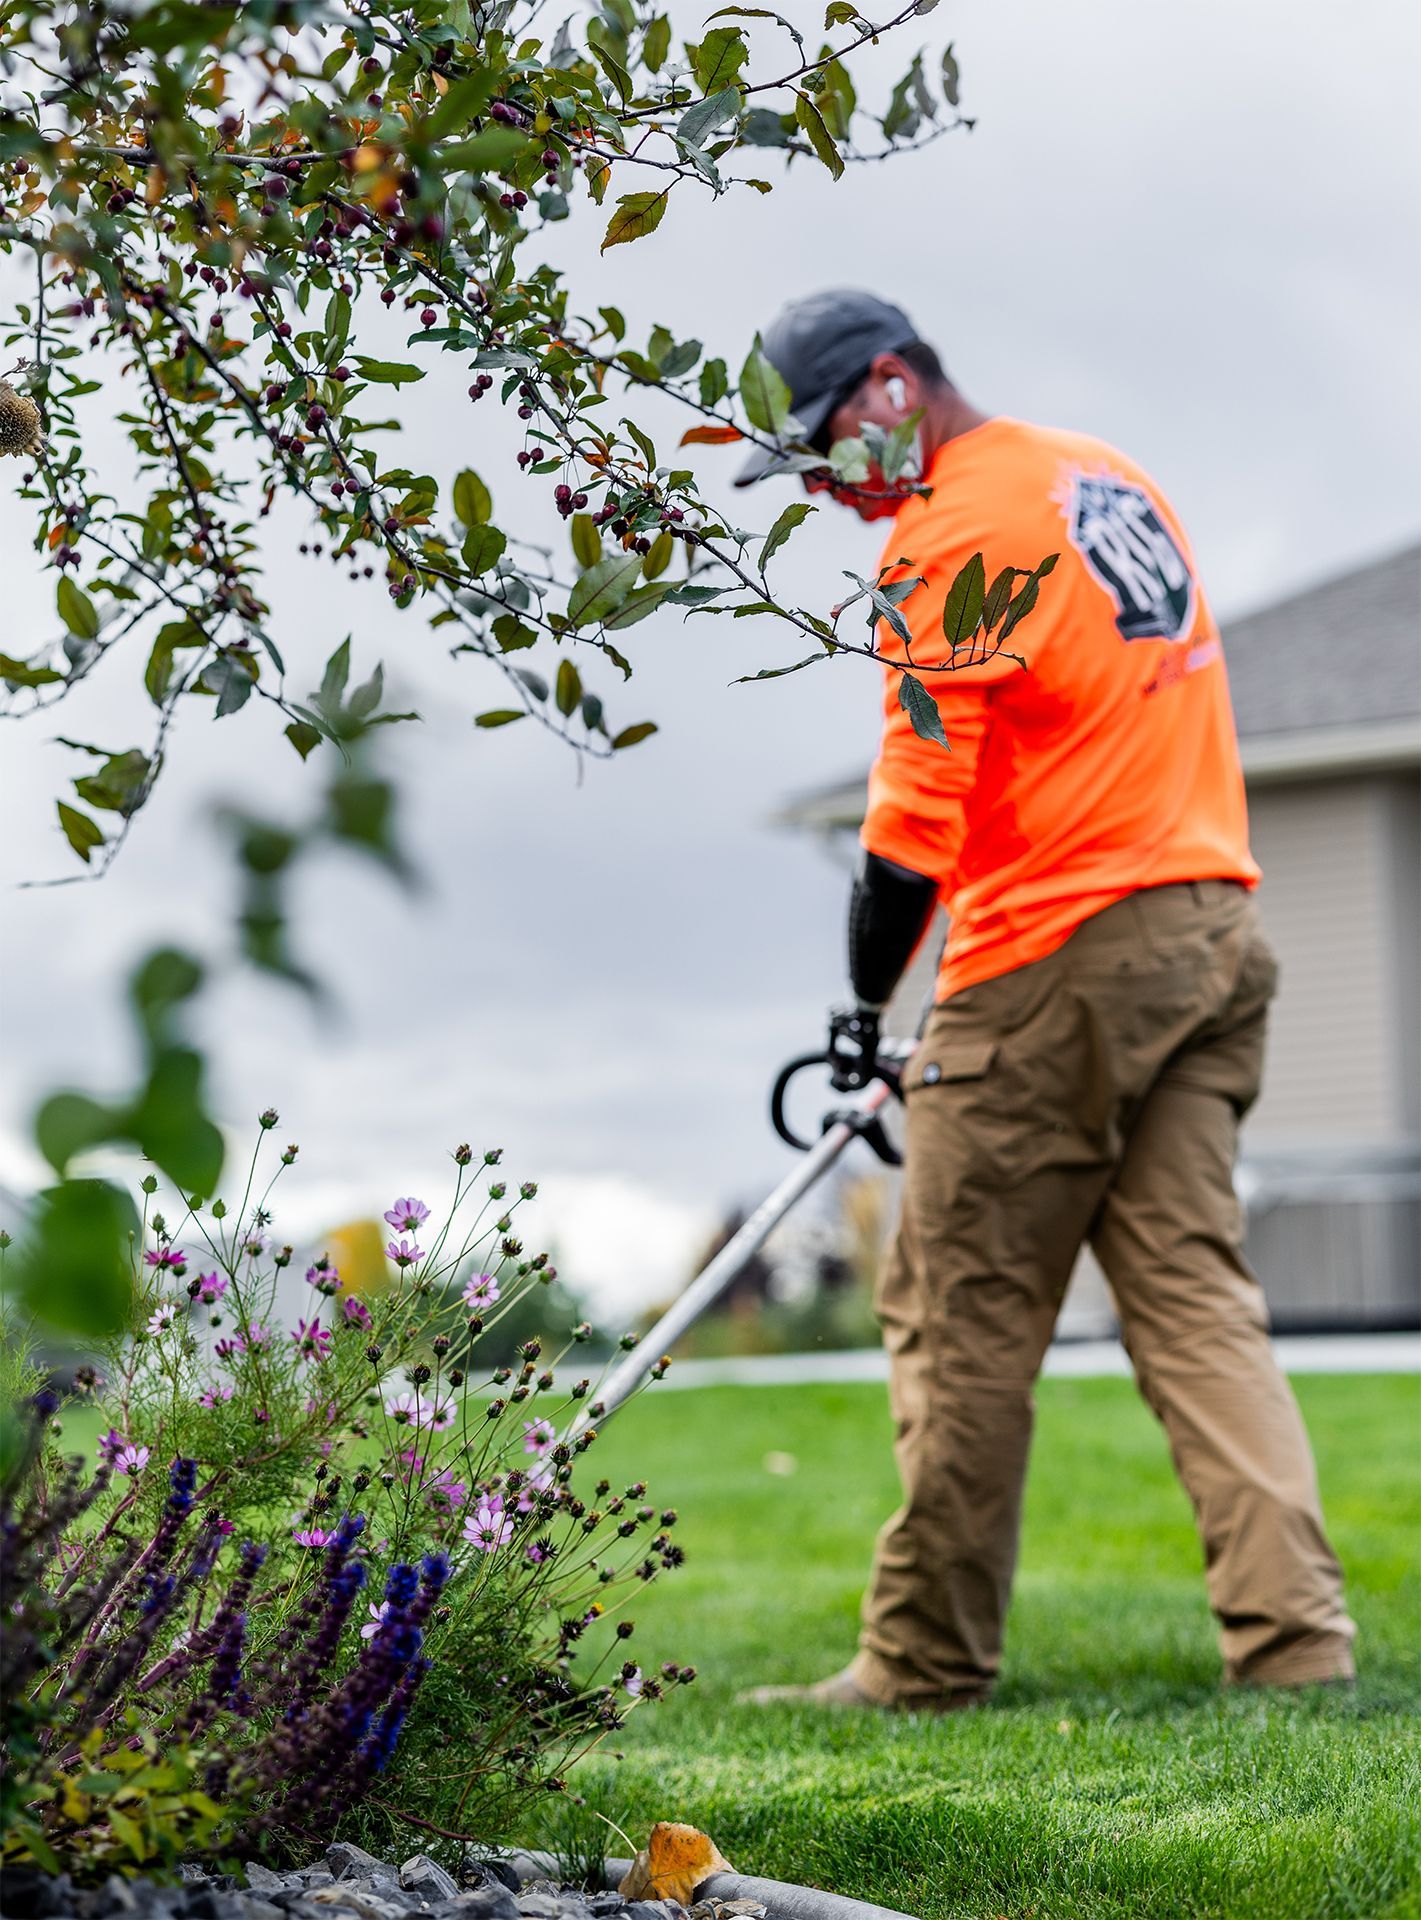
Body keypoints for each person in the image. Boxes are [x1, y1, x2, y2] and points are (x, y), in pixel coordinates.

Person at [736, 289, 1356, 1711]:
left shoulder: (949, 537)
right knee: (1195, 1301)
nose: (825, 491)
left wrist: (861, 1011)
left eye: (822, 448)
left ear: (888, 388)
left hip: (1056, 953)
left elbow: (909, 835)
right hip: (1209, 930)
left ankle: (921, 1661)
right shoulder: (1096, 473)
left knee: (956, 1309)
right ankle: (1295, 1644)